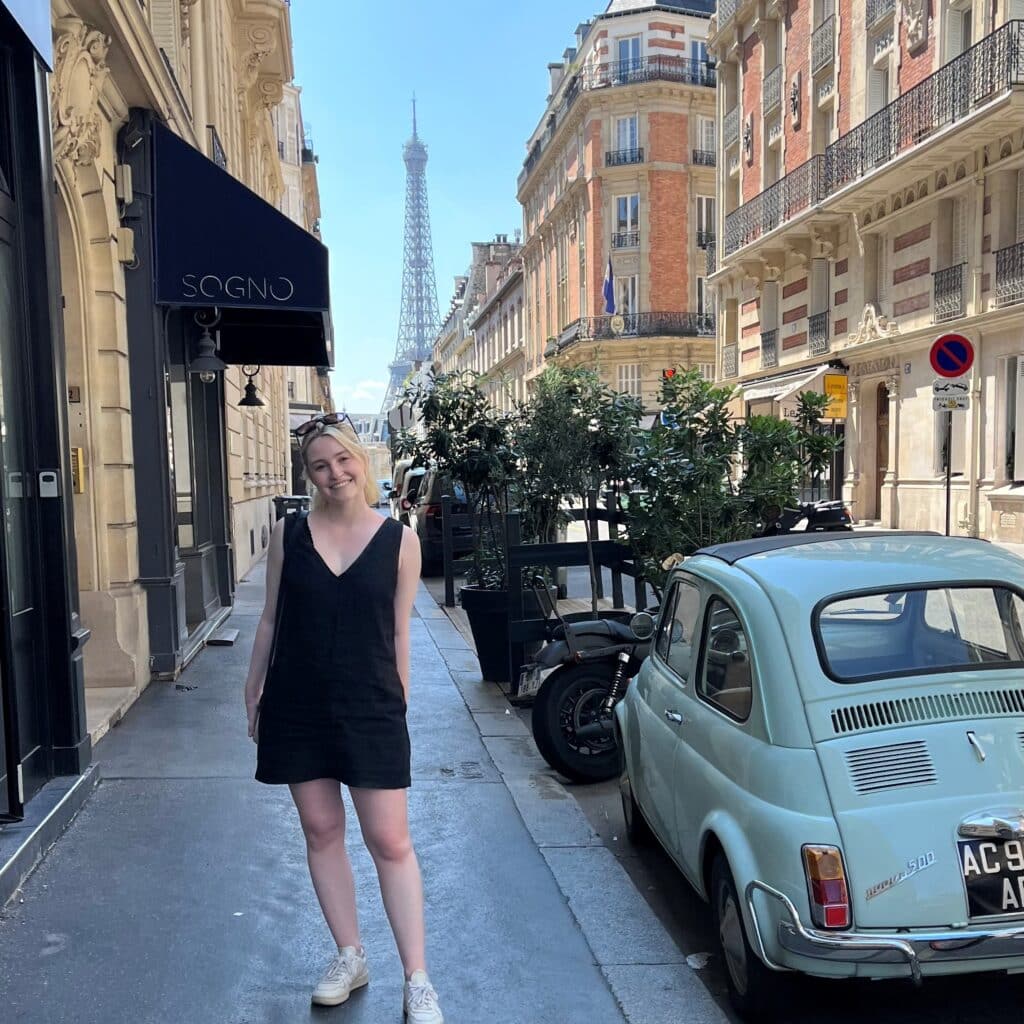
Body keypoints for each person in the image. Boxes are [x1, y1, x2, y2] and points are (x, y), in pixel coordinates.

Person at [243, 412, 444, 1023]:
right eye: (320, 466)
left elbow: (400, 632)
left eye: (343, 460)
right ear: (308, 475)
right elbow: (272, 618)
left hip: (370, 703)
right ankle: (349, 955)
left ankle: (418, 979)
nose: (335, 474)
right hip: (297, 701)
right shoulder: (288, 534)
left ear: (363, 461)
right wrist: (254, 688)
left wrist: (398, 707)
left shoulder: (399, 541)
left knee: (390, 839)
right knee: (322, 832)